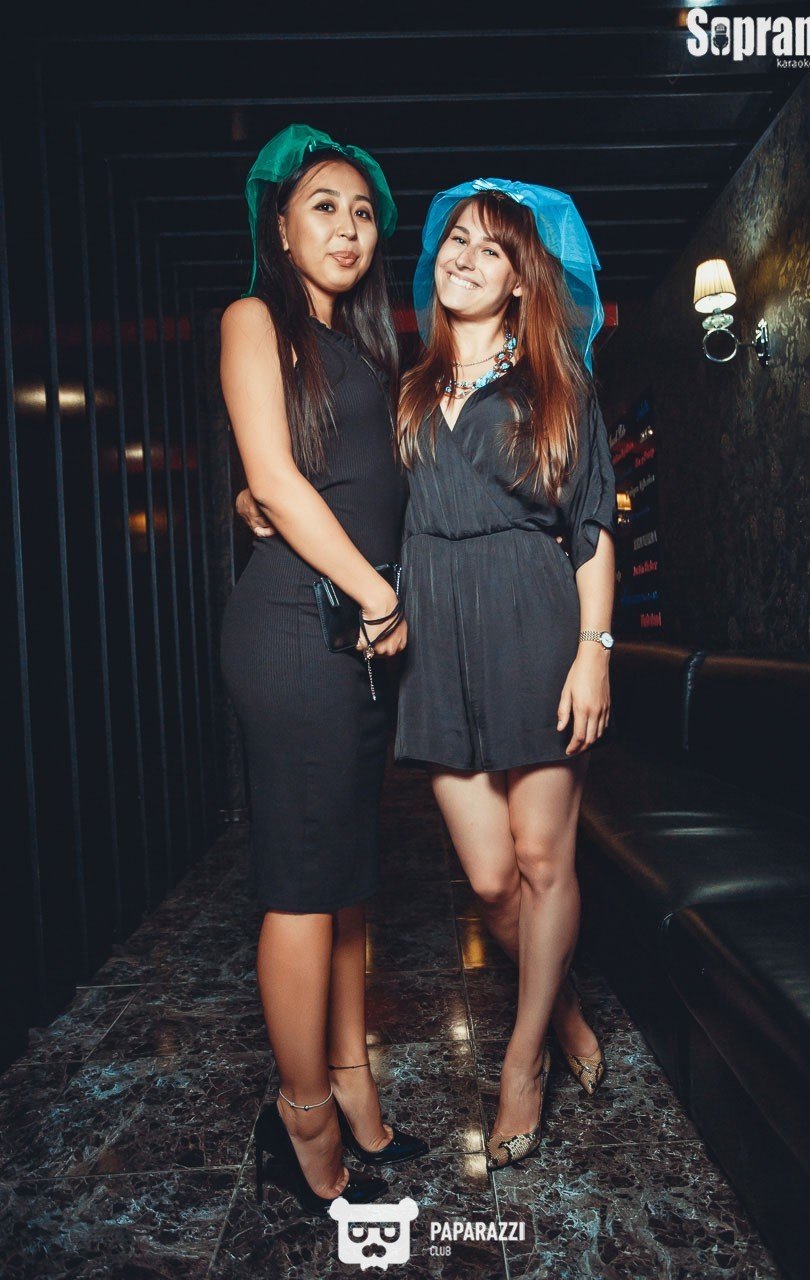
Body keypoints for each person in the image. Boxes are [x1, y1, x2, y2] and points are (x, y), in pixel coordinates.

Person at [219, 123, 427, 1217]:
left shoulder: (371, 352)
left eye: (361, 211)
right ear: (281, 226)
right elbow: (274, 477)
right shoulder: (254, 319)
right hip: (300, 630)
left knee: (346, 879)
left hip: (355, 637)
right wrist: (377, 594)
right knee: (304, 887)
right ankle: (299, 1116)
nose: (347, 227)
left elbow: (343, 479)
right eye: (323, 207)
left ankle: (350, 1080)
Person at [394, 178, 618, 1169]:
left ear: (521, 281)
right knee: (490, 880)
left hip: (535, 625)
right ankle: (560, 1003)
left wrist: (592, 653)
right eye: (455, 239)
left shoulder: (557, 387)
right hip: (436, 644)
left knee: (541, 859)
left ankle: (523, 1060)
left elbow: (592, 529)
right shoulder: (408, 389)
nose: (465, 257)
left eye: (491, 248)